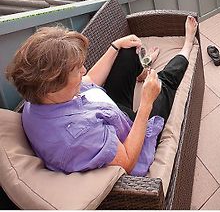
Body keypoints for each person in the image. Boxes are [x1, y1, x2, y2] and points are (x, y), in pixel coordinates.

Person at [5, 15, 198, 176]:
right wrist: (147, 101)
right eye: (76, 69)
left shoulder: (39, 97)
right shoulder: (77, 138)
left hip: (107, 110)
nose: (83, 69)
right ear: (52, 87)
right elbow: (128, 161)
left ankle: (142, 70)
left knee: (128, 50)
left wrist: (115, 46)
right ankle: (187, 46)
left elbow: (89, 80)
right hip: (130, 134)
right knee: (165, 82)